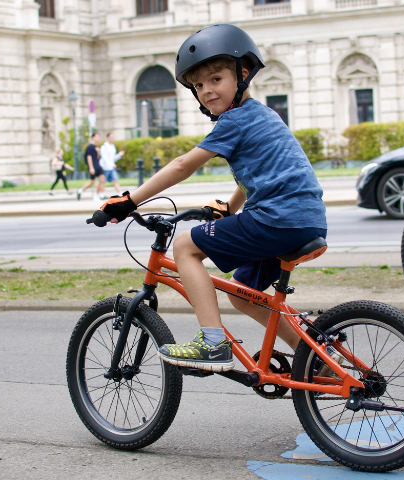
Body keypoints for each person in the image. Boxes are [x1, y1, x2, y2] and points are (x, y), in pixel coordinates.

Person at [98, 24, 327, 371]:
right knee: (242, 293)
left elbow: (182, 165)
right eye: (199, 85)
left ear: (242, 75)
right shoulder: (264, 115)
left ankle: (212, 343)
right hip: (304, 218)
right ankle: (315, 360)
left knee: (185, 246)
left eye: (216, 79)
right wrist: (230, 208)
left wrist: (130, 200)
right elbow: (265, 174)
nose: (207, 90)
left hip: (276, 218)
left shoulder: (234, 121)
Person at [77, 132, 105, 201]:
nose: (98, 138)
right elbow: (89, 157)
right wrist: (91, 167)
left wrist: (98, 152)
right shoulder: (90, 147)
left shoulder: (96, 147)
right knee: (91, 182)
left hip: (98, 165)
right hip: (93, 166)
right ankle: (80, 190)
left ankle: (99, 194)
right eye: (97, 137)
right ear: (93, 137)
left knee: (102, 179)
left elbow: (97, 158)